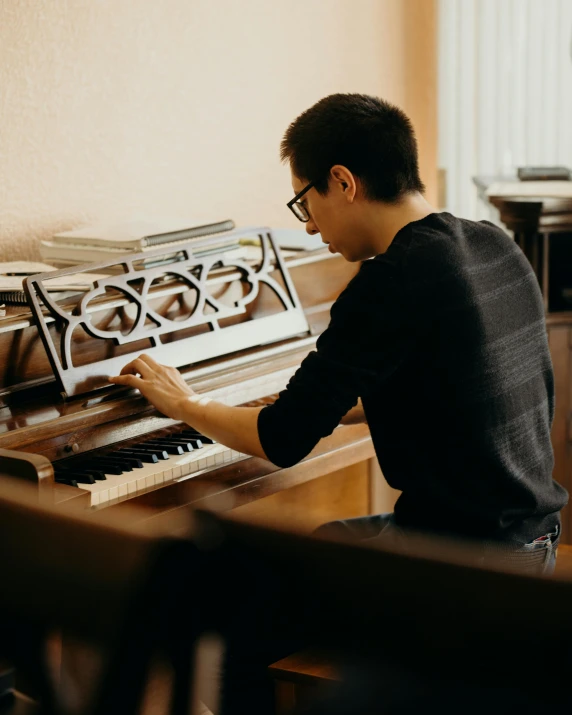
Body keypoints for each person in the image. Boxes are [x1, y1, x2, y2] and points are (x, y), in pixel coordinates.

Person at [110, 93, 568, 711]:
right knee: (325, 541)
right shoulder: (491, 244)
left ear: (343, 182)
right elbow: (452, 384)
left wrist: (184, 401)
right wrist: (330, 404)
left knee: (240, 594)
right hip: (532, 545)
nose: (307, 226)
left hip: (463, 572)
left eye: (305, 202)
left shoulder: (388, 281)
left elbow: (281, 441)